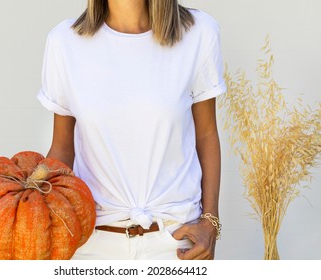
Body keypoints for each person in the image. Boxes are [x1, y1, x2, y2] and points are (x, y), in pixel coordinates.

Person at [37, 0, 226, 260]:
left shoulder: (198, 33)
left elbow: (206, 135)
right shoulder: (65, 42)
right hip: (91, 244)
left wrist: (210, 221)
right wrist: (33, 211)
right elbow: (62, 148)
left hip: (175, 243)